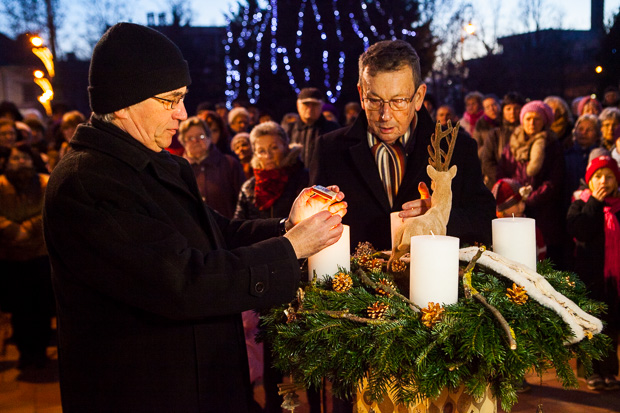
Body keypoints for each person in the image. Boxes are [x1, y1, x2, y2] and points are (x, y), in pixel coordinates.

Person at [42, 23, 347, 413]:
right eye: (170, 100)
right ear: (122, 102)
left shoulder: (156, 163)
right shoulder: (87, 182)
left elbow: (217, 232)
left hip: (206, 386)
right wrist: (292, 248)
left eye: (182, 98)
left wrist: (288, 226)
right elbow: (181, 281)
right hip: (147, 394)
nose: (183, 114)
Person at [310, 39, 496, 253]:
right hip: (353, 282)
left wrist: (440, 214)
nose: (385, 115)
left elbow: (485, 220)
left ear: (418, 97)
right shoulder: (329, 149)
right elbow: (311, 226)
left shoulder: (457, 148)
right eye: (374, 100)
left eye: (398, 101)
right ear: (361, 95)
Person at [234, 121, 309, 412]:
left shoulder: (300, 177)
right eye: (260, 150)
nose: (267, 156)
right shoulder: (250, 185)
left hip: (298, 268)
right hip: (263, 269)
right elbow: (239, 224)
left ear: (286, 146)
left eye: (273, 148)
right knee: (268, 339)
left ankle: (309, 401)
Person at [566, 154, 620, 391]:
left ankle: (608, 371)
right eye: (598, 176)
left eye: (609, 177)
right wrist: (595, 205)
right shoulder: (580, 204)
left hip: (614, 280)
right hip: (590, 278)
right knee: (590, 325)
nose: (603, 181)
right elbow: (581, 231)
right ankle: (590, 370)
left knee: (611, 326)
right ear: (589, 181)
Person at [0, 143, 54, 370]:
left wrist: (29, 228)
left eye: (24, 158)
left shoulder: (44, 182)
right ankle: (26, 351)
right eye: (15, 159)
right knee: (20, 307)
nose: (20, 162)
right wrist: (12, 230)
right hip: (12, 257)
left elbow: (49, 210)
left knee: (41, 306)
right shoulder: (1, 185)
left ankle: (40, 350)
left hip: (39, 254)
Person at [497, 100, 565, 267]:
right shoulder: (511, 143)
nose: (532, 123)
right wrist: (514, 198)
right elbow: (503, 173)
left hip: (543, 212)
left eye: (537, 119)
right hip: (514, 209)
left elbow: (553, 181)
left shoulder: (552, 146)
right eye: (528, 118)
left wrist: (529, 199)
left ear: (545, 122)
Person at [178, 116, 244, 219]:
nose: (196, 141)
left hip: (227, 231)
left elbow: (243, 204)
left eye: (201, 136)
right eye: (190, 138)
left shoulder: (229, 164)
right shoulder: (179, 169)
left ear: (209, 138)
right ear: (183, 142)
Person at [480, 92, 526, 189]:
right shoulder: (495, 134)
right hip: (499, 185)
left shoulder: (528, 132)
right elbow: (487, 162)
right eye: (508, 109)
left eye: (516, 108)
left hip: (525, 185)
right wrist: (505, 182)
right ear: (503, 111)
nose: (512, 112)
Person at [285, 87, 339, 168]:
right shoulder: (289, 129)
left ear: (322, 106)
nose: (310, 108)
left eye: (314, 104)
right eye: (306, 104)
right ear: (298, 105)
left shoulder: (333, 129)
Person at [564, 114, 602, 208]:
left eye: (589, 130)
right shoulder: (566, 155)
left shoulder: (601, 157)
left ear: (597, 134)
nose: (584, 132)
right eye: (580, 129)